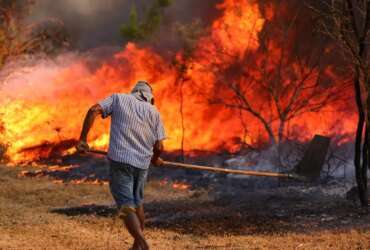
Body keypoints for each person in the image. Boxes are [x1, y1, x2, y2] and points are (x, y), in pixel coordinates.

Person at [76, 80, 166, 250]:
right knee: (137, 203)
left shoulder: (118, 99)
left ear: (134, 92)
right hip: (142, 165)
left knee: (125, 205)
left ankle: (143, 243)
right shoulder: (154, 112)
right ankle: (136, 246)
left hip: (121, 162)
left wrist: (82, 139)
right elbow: (159, 147)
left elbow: (93, 110)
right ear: (149, 98)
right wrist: (155, 159)